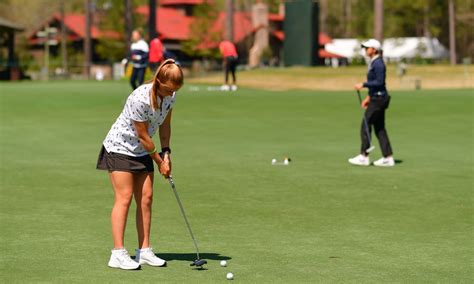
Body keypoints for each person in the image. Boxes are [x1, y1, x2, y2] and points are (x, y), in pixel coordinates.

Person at [96, 59, 184, 270]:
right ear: (159, 82)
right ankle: (117, 253)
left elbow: (165, 126)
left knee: (146, 198)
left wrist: (167, 153)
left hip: (144, 150)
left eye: (175, 90)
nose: (171, 94)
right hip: (120, 147)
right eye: (169, 89)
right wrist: (160, 162)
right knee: (124, 197)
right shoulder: (139, 98)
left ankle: (144, 251)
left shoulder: (170, 96)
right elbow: (143, 136)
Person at [349, 39, 395, 167]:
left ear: (374, 49)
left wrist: (363, 84)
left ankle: (364, 156)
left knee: (366, 123)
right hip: (376, 98)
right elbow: (375, 85)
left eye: (367, 48)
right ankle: (388, 157)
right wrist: (368, 97)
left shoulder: (378, 63)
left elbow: (380, 82)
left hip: (379, 99)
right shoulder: (374, 62)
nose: (365, 50)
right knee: (379, 128)